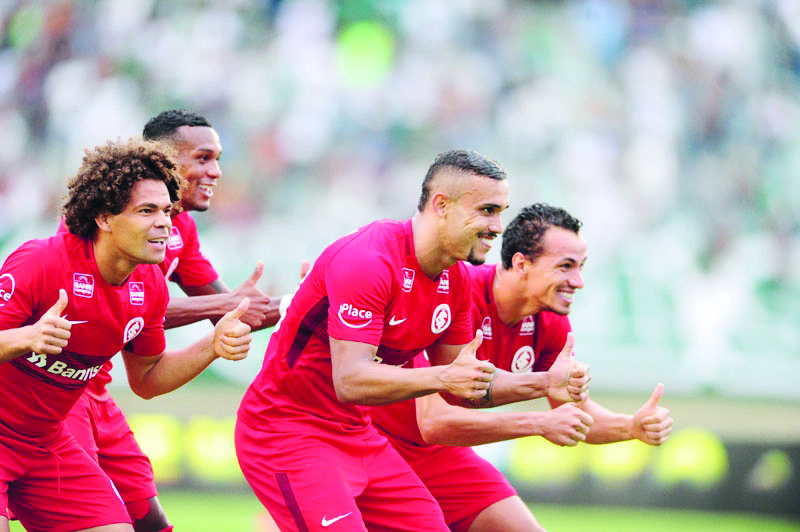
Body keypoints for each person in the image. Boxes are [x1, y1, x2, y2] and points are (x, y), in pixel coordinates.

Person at [235, 150, 590, 531]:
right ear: (442, 205)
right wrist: (445, 378)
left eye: (500, 212)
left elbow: (465, 387)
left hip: (357, 434)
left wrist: (544, 383)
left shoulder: (455, 279)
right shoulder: (369, 260)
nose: (497, 226)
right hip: (287, 429)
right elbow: (350, 380)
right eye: (487, 211)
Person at [370, 203, 675, 532]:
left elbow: (574, 414)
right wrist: (538, 423)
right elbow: (434, 421)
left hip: (437, 456)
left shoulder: (552, 324)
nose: (579, 281)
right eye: (566, 266)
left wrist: (631, 427)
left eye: (581, 267)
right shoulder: (454, 292)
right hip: (372, 443)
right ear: (521, 264)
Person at [0, 139, 252, 532]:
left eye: (166, 211)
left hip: (45, 442)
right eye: (147, 211)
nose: (165, 223)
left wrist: (212, 346)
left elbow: (147, 379)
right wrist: (26, 337)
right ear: (104, 218)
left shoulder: (150, 284)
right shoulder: (41, 261)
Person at [57, 109, 277, 531]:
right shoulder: (99, 226)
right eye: (203, 158)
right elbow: (110, 307)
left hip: (97, 390)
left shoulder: (181, 231)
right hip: (58, 392)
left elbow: (234, 310)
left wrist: (311, 299)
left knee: (151, 520)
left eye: (217, 159)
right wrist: (225, 308)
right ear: (164, 160)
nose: (216, 171)